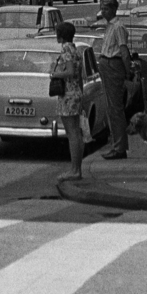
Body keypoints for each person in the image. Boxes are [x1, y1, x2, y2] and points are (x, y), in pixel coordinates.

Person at [96, 0, 133, 159]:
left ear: (114, 10)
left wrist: (127, 71)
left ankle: (119, 147)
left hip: (113, 65)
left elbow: (124, 52)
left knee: (115, 108)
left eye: (106, 9)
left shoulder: (118, 27)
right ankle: (116, 144)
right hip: (107, 64)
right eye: (102, 9)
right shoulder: (110, 26)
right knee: (111, 108)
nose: (103, 12)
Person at [51, 21, 86, 178]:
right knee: (77, 133)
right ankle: (77, 168)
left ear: (61, 35)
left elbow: (70, 72)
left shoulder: (65, 49)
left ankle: (74, 170)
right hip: (76, 93)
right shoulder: (76, 49)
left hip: (68, 94)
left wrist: (55, 74)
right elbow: (79, 74)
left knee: (72, 133)